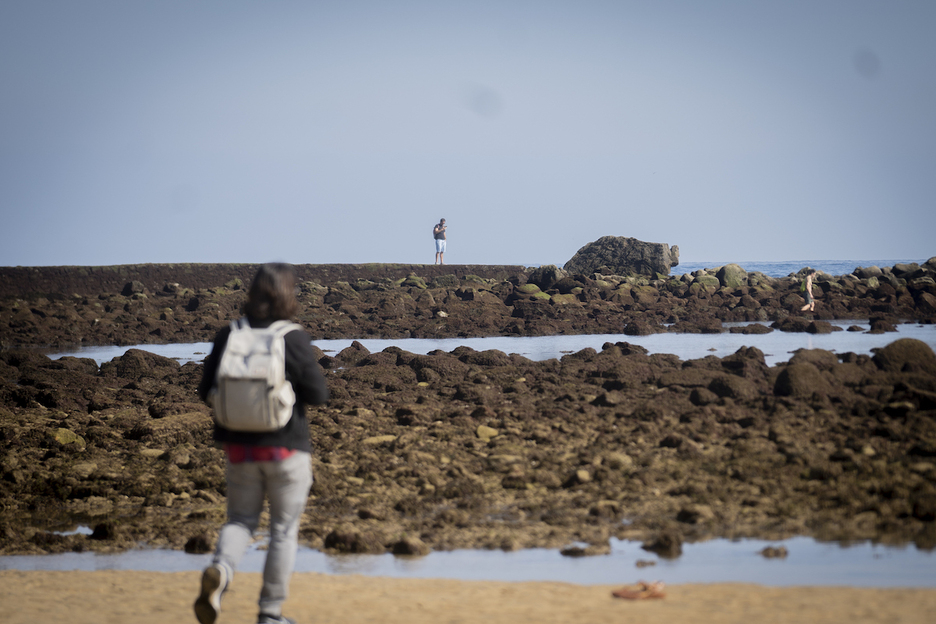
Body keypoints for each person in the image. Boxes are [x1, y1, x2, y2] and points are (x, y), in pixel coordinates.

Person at [194, 263, 329, 624]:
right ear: (288, 294)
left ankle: (221, 570)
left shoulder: (229, 334)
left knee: (239, 520)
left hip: (239, 450)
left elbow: (205, 390)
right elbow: (318, 394)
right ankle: (270, 613)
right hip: (286, 449)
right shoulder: (292, 337)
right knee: (283, 531)